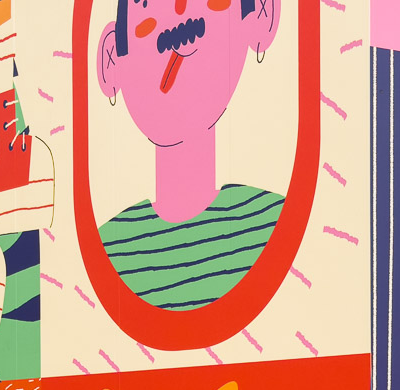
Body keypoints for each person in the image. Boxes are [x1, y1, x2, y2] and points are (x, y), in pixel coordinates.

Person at [96, 0, 284, 311]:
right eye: (148, 4)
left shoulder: (271, 224)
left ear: (262, 14)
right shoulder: (109, 248)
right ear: (112, 58)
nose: (178, 14)